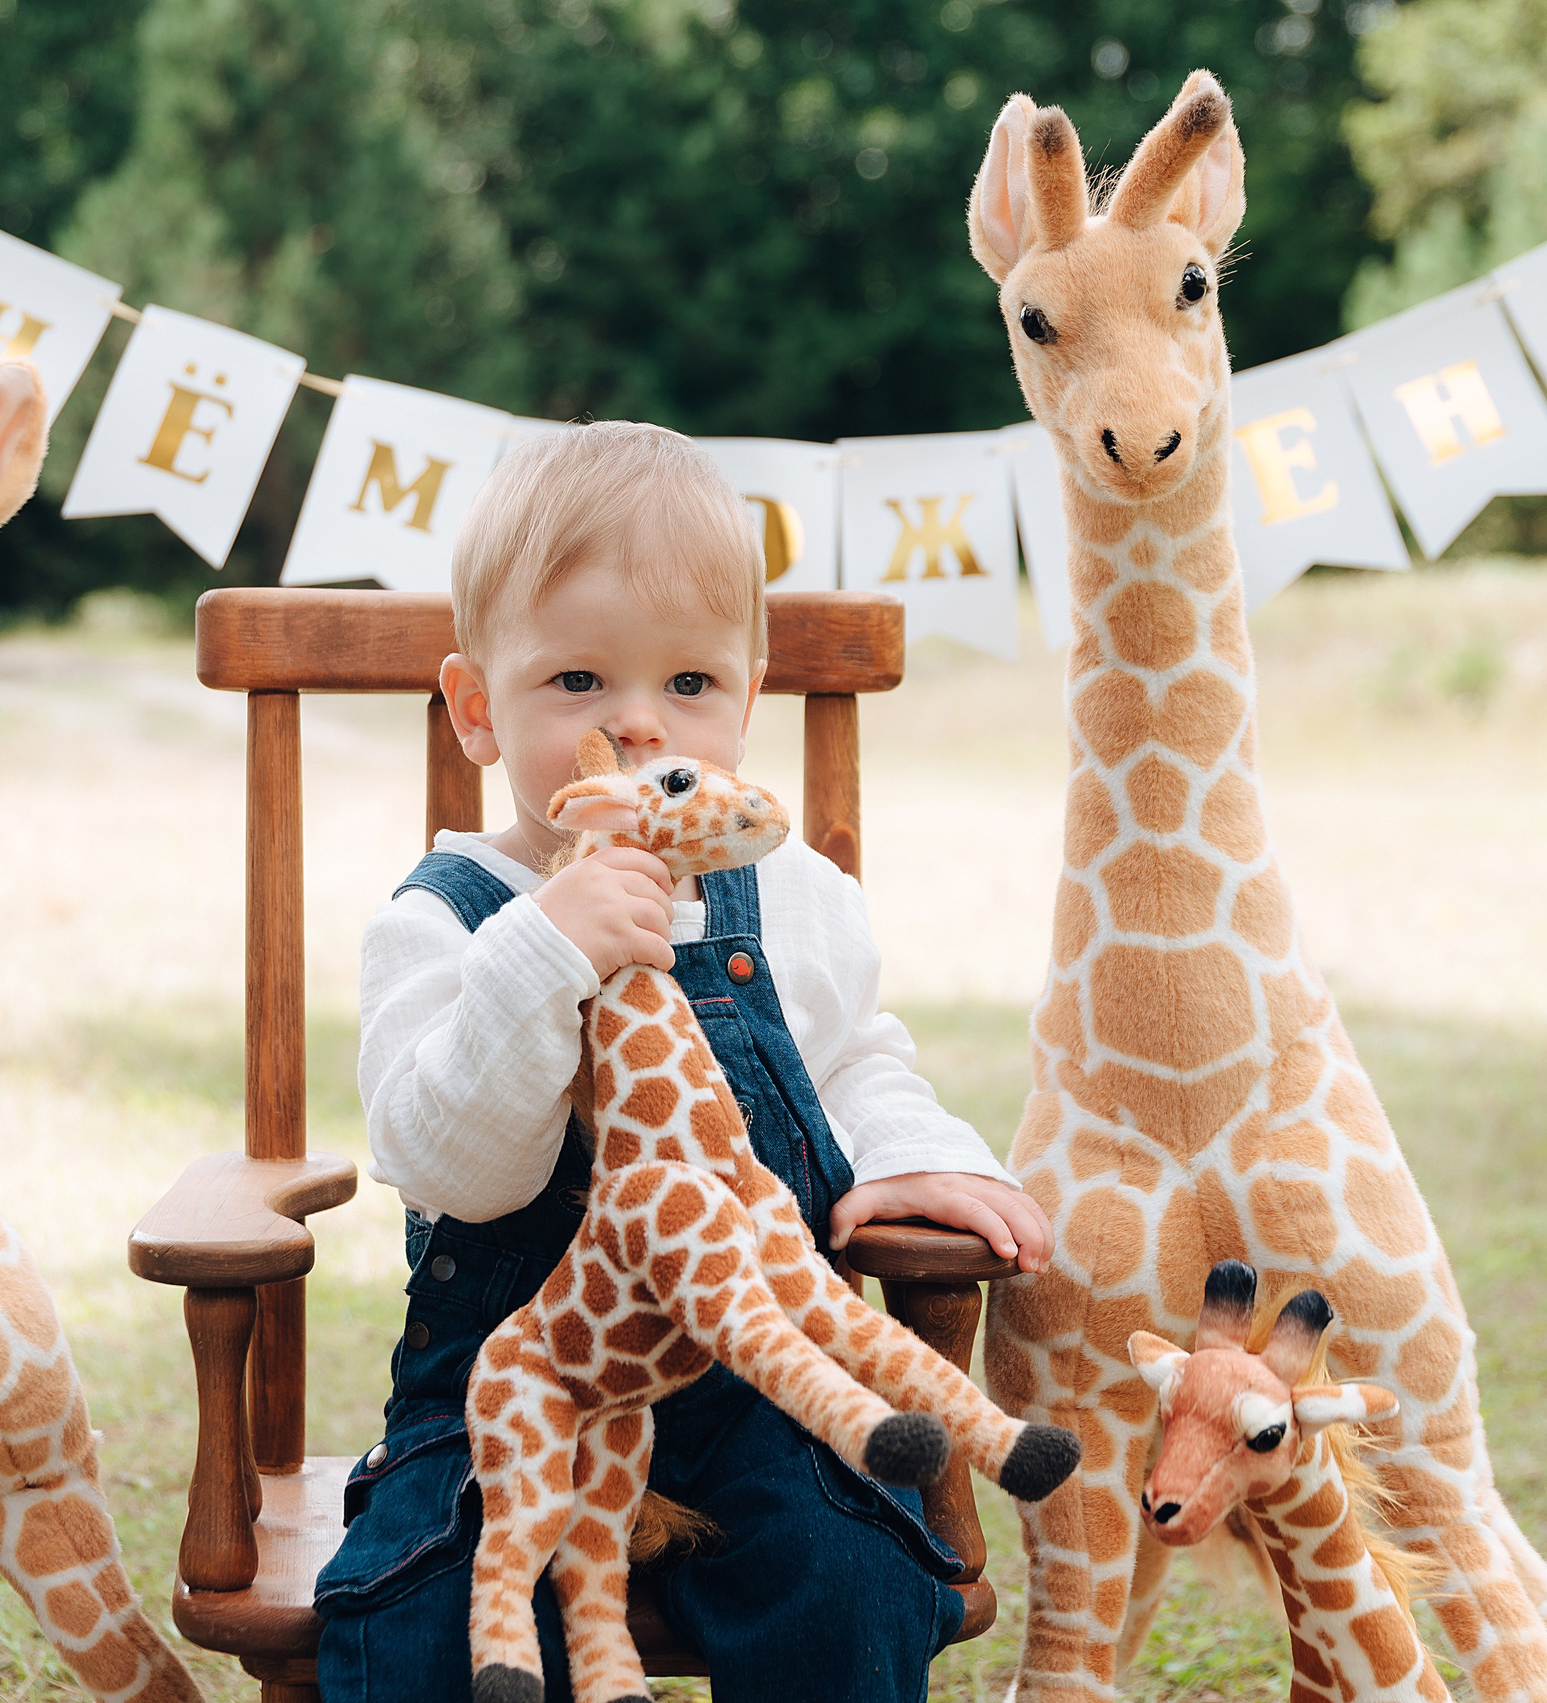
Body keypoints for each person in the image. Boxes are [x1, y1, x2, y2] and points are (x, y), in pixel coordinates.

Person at [312, 422, 1052, 1703]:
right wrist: (544, 950)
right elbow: (455, 1167)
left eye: (692, 686)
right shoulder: (442, 919)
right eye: (579, 680)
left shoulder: (797, 894)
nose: (641, 720)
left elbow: (857, 1059)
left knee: (852, 1567)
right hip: (513, 1381)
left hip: (759, 1374)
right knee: (424, 1618)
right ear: (479, 709)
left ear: (745, 705)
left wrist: (918, 1155)